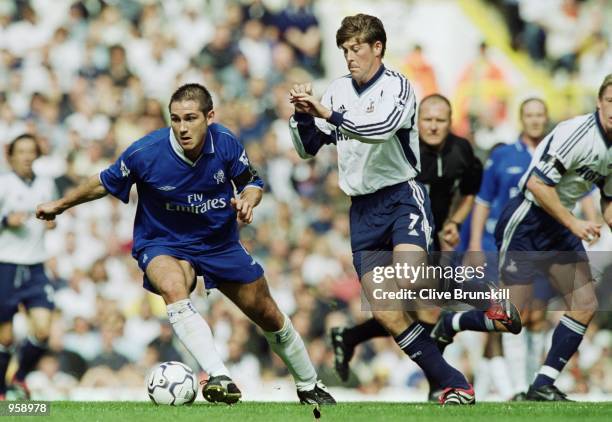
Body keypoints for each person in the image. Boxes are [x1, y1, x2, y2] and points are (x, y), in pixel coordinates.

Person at [36, 83, 336, 406]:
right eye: (175, 119)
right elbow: (104, 182)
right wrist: (61, 204)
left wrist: (249, 200)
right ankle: (219, 375)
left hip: (218, 242)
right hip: (163, 241)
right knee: (173, 285)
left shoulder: (226, 143)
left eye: (190, 118)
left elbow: (252, 182)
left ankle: (309, 385)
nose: (182, 128)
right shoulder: (145, 152)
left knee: (267, 313)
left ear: (210, 117)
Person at [288, 13, 483, 405]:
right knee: (388, 311)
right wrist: (300, 115)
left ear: (377, 48)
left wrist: (327, 114)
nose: (349, 56)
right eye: (344, 49)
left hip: (399, 196)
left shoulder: (399, 87)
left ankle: (481, 293)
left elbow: (378, 129)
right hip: (361, 209)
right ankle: (454, 382)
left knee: (410, 279)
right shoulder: (338, 91)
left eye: (356, 48)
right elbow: (309, 148)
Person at [433, 74, 612, 401]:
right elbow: (537, 185)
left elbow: (608, 198)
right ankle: (451, 323)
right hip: (527, 220)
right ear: (599, 102)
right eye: (611, 101)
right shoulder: (578, 133)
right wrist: (574, 223)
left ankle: (542, 383)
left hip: (559, 222)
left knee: (585, 304)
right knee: (511, 318)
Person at [328, 94, 487, 400]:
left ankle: (351, 337)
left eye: (440, 120)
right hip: (399, 228)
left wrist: (454, 221)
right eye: (427, 119)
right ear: (417, 121)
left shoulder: (461, 150)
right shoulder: (403, 149)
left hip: (432, 232)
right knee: (422, 308)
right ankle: (441, 384)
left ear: (451, 122)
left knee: (411, 309)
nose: (433, 126)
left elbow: (469, 191)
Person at [0, 134, 57, 401]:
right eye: (20, 151)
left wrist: (51, 221)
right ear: (10, 155)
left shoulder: (46, 185)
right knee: (6, 338)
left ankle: (19, 375)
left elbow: (54, 215)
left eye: (30, 151)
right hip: (7, 265)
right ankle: (2, 390)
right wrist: (5, 220)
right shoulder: (3, 184)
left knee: (44, 330)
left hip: (36, 265)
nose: (26, 156)